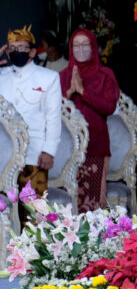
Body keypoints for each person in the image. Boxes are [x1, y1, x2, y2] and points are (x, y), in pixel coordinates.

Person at [0, 26, 61, 217]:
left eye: (22, 47)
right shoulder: (1, 76)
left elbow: (53, 117)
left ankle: (33, 247)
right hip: (3, 158)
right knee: (5, 216)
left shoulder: (48, 77)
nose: (16, 52)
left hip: (34, 155)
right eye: (12, 48)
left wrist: (49, 151)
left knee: (34, 214)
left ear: (33, 52)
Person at [59, 29, 121, 212]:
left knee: (93, 204)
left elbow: (108, 107)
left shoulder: (104, 75)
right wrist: (70, 92)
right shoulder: (63, 75)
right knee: (67, 202)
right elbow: (53, 108)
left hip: (96, 144)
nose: (80, 49)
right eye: (76, 45)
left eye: (85, 44)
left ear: (93, 48)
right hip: (66, 147)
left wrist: (84, 92)